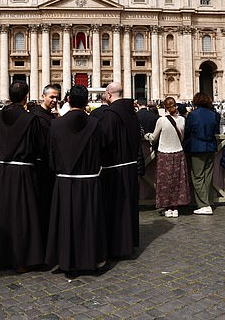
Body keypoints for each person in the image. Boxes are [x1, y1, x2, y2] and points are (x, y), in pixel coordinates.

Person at [46, 85, 107, 275]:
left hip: (64, 180)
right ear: (87, 102)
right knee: (89, 220)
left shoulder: (55, 124)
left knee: (65, 220)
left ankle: (65, 259)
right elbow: (102, 150)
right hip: (89, 180)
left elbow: (51, 154)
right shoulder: (95, 123)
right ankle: (91, 259)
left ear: (68, 101)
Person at [0, 81, 45, 271]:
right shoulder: (31, 120)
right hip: (23, 171)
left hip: (2, 171)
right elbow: (39, 149)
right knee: (22, 216)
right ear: (26, 97)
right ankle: (21, 260)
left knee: (2, 215)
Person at [99, 82, 140, 258]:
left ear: (109, 95)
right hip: (131, 167)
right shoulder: (132, 112)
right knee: (128, 208)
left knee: (116, 209)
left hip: (115, 169)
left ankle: (117, 246)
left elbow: (103, 141)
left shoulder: (110, 115)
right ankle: (129, 243)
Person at [144, 97, 190, 218]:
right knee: (177, 181)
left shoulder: (162, 120)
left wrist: (147, 135)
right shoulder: (182, 120)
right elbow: (183, 137)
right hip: (178, 153)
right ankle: (175, 208)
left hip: (164, 154)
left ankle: (167, 207)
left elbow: (154, 137)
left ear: (165, 107)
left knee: (165, 182)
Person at [30, 84, 60, 241]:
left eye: (56, 97)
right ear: (43, 96)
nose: (55, 100)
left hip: (50, 167)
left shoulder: (50, 115)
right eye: (52, 97)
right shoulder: (37, 116)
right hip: (41, 167)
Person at [184, 92, 220, 215]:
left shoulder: (192, 115)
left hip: (197, 148)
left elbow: (188, 131)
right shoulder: (214, 115)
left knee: (197, 176)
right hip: (210, 147)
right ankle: (209, 201)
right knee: (208, 176)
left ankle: (204, 205)